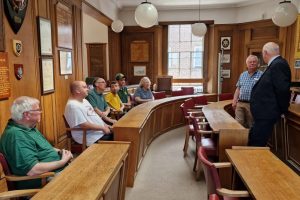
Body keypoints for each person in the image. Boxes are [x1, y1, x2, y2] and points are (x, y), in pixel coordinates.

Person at [0, 96, 73, 189]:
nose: (41, 112)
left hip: (57, 170)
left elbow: (44, 148)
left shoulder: (29, 127)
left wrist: (61, 152)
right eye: (38, 110)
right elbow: (32, 170)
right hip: (44, 180)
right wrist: (62, 161)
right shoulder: (16, 135)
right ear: (27, 114)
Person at [249, 42, 291, 146]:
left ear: (265, 53)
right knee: (254, 140)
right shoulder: (275, 64)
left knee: (256, 144)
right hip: (263, 114)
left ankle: (254, 162)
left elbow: (282, 90)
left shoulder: (279, 64)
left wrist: (283, 110)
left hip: (266, 114)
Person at [64, 81, 113, 145]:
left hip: (98, 132)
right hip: (89, 136)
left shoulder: (84, 100)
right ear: (77, 91)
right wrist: (103, 128)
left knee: (120, 133)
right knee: (120, 137)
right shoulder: (72, 105)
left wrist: (105, 125)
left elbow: (95, 116)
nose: (88, 89)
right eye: (84, 87)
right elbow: (84, 125)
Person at [232, 55, 263, 128]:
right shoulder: (243, 75)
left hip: (253, 104)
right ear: (247, 64)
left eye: (254, 62)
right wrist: (234, 100)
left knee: (251, 124)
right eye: (250, 62)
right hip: (240, 103)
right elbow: (238, 88)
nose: (252, 63)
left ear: (258, 63)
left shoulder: (262, 75)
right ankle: (240, 139)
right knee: (238, 124)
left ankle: (250, 139)